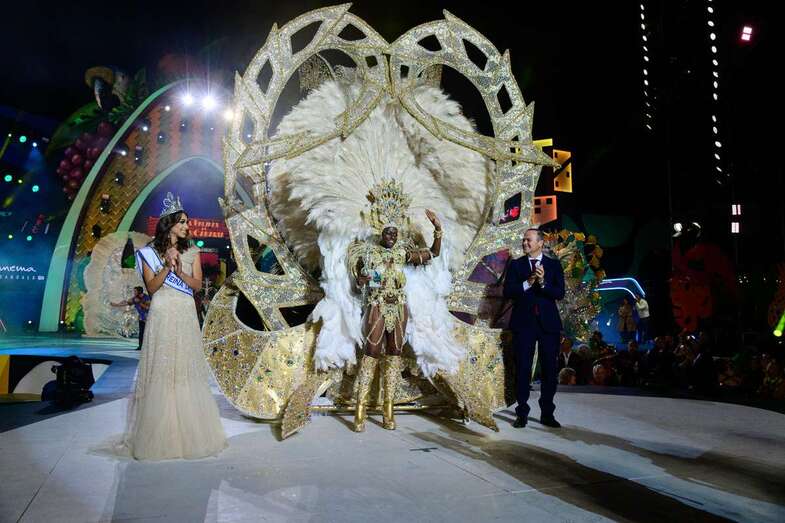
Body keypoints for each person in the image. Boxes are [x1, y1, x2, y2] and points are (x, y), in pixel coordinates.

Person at [123, 192, 226, 460]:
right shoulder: (148, 253)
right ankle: (160, 435)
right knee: (163, 366)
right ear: (168, 224)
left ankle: (189, 432)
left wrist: (180, 271)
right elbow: (151, 288)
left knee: (184, 367)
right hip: (162, 310)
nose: (186, 226)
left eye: (187, 222)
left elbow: (197, 286)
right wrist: (167, 267)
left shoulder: (192, 251)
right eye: (182, 222)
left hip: (184, 310)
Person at [350, 183, 442, 432]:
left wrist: (438, 229)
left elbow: (433, 254)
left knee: (394, 353)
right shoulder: (368, 253)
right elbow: (358, 281)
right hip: (377, 305)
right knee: (371, 352)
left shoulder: (403, 254)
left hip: (399, 307)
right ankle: (360, 409)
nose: (392, 236)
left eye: (395, 233)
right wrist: (363, 280)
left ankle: (388, 409)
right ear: (381, 232)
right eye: (388, 232)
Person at [503, 228, 566, 428]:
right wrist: (528, 282)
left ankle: (547, 413)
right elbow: (508, 291)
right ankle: (521, 412)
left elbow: (560, 293)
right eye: (523, 240)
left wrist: (544, 283)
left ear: (540, 243)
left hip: (548, 325)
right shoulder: (516, 265)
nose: (525, 243)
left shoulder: (554, 265)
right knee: (522, 368)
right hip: (524, 324)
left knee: (549, 370)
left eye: (528, 240)